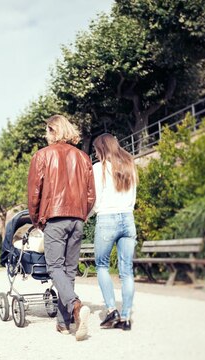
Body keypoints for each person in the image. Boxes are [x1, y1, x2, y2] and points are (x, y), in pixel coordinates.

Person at [28, 114, 96, 341]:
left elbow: (35, 193)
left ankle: (76, 306)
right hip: (77, 218)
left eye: (47, 132)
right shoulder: (84, 157)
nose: (46, 136)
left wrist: (37, 219)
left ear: (53, 130)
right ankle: (64, 323)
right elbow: (90, 195)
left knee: (55, 267)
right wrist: (81, 215)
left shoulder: (42, 156)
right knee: (68, 271)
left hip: (55, 218)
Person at [91, 133, 138, 331]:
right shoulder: (129, 164)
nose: (95, 153)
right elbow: (134, 195)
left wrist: (92, 213)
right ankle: (126, 318)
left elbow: (95, 199)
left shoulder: (98, 168)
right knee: (126, 271)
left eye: (96, 150)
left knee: (101, 265)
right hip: (128, 218)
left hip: (106, 219)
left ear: (101, 148)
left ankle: (112, 311)